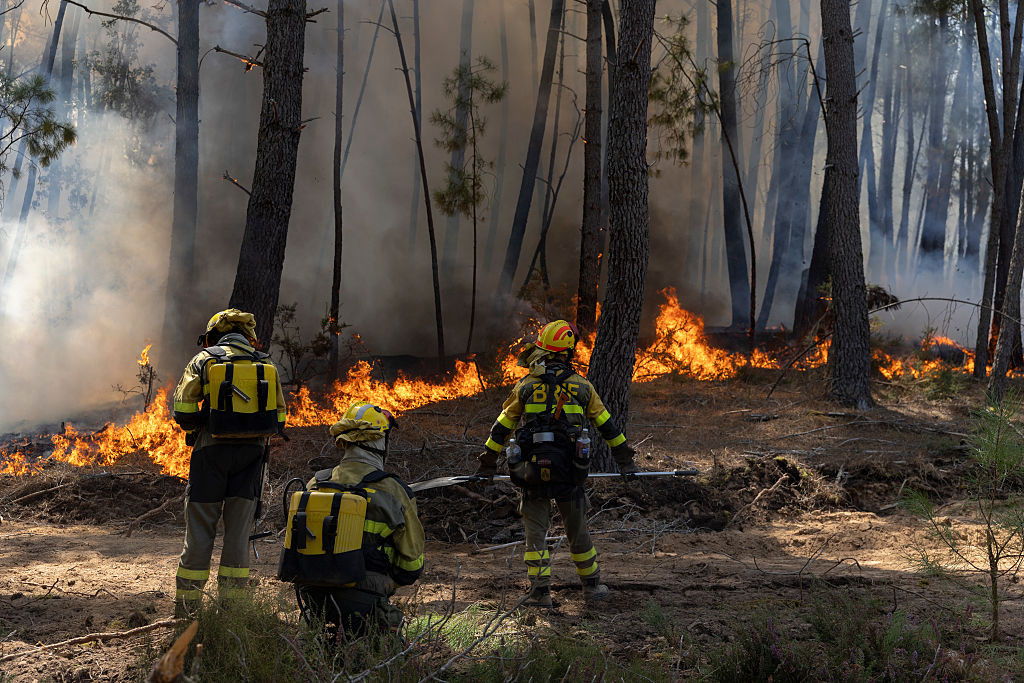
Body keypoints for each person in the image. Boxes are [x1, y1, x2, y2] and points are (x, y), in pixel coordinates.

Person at [477, 320, 638, 607]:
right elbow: (608, 427)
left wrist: (488, 462)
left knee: (535, 534)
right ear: (568, 352)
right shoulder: (582, 387)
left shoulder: (525, 386)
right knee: (578, 531)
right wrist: (625, 461)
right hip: (569, 474)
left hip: (532, 473)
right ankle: (592, 588)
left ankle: (540, 593)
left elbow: (501, 428)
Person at [171, 308, 287, 617]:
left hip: (211, 452)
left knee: (199, 530)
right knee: (238, 535)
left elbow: (182, 410)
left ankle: (187, 610)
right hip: (252, 456)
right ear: (248, 336)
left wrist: (204, 422)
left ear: (214, 335)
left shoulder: (205, 360)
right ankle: (233, 613)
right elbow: (280, 417)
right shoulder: (265, 363)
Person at [295, 401, 425, 639]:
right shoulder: (394, 491)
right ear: (379, 442)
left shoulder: (316, 483)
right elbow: (411, 567)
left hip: (312, 594)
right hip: (365, 595)